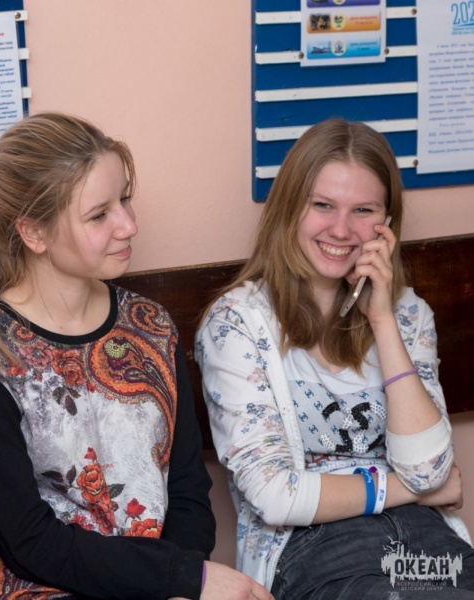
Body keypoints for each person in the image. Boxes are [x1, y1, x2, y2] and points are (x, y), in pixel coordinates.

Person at [0, 112, 271, 600]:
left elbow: (187, 491)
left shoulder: (150, 326)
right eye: (99, 215)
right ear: (34, 233)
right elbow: (29, 542)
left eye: (125, 200)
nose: (129, 225)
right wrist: (182, 577)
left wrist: (182, 585)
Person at [195, 118, 474, 598]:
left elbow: (429, 468)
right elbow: (275, 496)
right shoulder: (237, 323)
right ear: (290, 207)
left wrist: (382, 320)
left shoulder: (407, 314)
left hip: (423, 542)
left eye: (363, 210)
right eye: (322, 205)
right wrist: (412, 490)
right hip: (314, 550)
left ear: (387, 223)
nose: (341, 230)